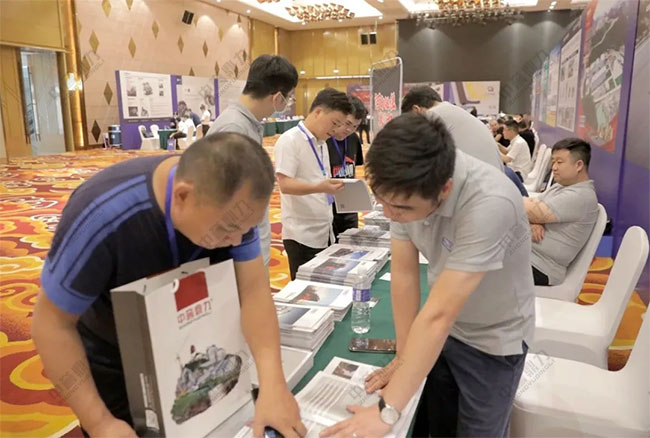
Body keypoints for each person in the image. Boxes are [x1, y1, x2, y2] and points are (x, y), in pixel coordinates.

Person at [31, 133, 306, 438]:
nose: (236, 240)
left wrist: (273, 385)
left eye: (247, 229)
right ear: (182, 196)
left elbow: (253, 290)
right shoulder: (101, 215)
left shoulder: (234, 211)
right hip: (115, 357)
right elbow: (51, 324)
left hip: (190, 343)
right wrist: (99, 423)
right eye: (228, 229)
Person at [322, 113, 534, 438]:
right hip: (443, 335)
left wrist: (387, 411)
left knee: (479, 432)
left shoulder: (491, 201)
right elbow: (404, 274)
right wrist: (404, 357)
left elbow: (439, 315)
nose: (391, 214)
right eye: (383, 202)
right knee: (439, 425)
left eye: (401, 209)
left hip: (493, 339)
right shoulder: (403, 185)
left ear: (444, 189)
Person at [208, 54, 298, 268]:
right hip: (239, 253)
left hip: (249, 246)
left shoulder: (247, 124)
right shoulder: (235, 129)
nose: (288, 103)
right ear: (278, 98)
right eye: (289, 97)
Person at [275, 88, 352, 280]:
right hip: (301, 235)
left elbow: (320, 177)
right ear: (318, 112)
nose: (335, 130)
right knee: (305, 290)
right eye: (334, 123)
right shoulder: (290, 140)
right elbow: (285, 185)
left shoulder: (322, 143)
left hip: (324, 230)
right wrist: (320, 187)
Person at [523, 138, 598, 286]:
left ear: (578, 165)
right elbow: (533, 210)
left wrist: (534, 214)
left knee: (479, 263)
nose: (554, 167)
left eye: (559, 162)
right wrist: (535, 220)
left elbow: (532, 209)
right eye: (553, 162)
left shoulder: (580, 196)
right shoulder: (561, 186)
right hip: (526, 255)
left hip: (540, 267)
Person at [403, 86, 503, 170]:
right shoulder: (453, 111)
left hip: (477, 182)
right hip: (494, 178)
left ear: (416, 110)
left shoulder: (432, 115)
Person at [327, 95, 366, 241]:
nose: (349, 130)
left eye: (355, 126)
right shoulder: (324, 140)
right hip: (328, 208)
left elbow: (355, 168)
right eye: (347, 123)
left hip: (349, 208)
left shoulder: (353, 139)